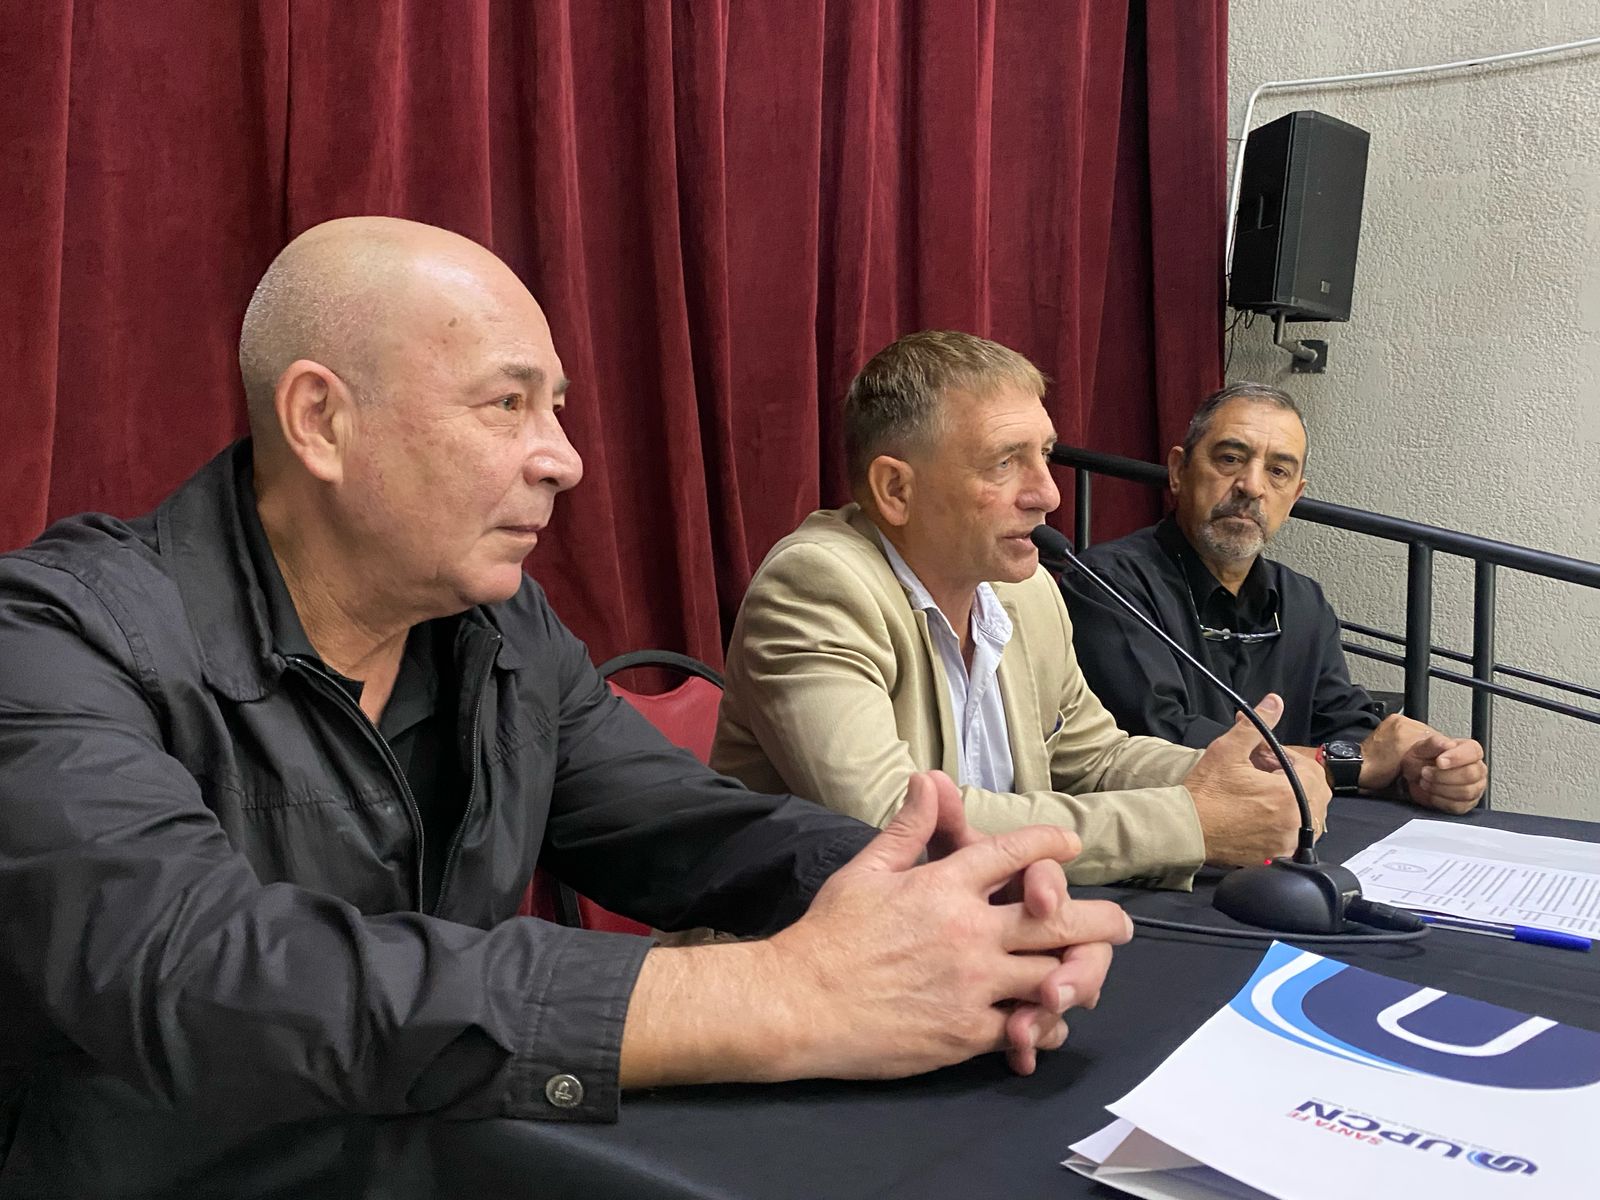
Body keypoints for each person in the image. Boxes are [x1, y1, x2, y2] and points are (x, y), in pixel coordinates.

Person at [0, 220, 1132, 1197]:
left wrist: (951, 900)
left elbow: (689, 827)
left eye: (557, 408)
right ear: (320, 420)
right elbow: (204, 975)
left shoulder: (500, 630)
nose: (566, 460)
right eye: (508, 404)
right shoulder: (53, 639)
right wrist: (782, 997)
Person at [712, 331, 1332, 894]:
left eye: (1045, 456)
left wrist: (1237, 777)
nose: (1048, 494)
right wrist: (1192, 822)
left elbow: (1093, 759)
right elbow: (897, 826)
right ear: (897, 490)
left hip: (987, 931)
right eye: (1004, 463)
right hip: (816, 959)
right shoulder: (815, 587)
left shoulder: (1025, 591)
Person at [1061, 381, 1486, 814]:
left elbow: (1350, 729)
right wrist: (1347, 764)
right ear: (1178, 471)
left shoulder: (1302, 601)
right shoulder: (1107, 583)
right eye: (1230, 459)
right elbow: (1158, 741)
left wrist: (1420, 771)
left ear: (1295, 496)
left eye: (1278, 471)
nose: (1251, 486)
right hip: (1165, 835)